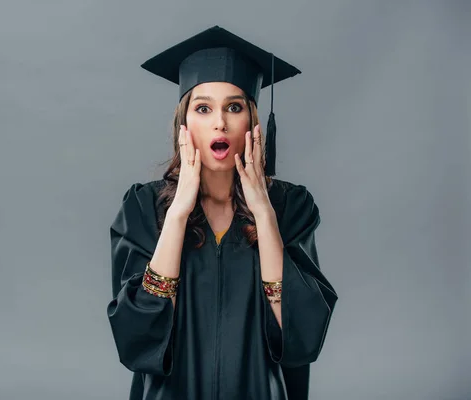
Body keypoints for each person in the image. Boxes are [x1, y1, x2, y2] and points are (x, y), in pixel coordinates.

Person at [106, 26, 338, 400]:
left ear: (253, 122)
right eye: (203, 108)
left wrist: (264, 215)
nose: (220, 122)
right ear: (185, 125)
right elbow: (135, 338)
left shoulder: (291, 208)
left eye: (234, 107)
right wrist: (178, 214)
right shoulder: (143, 209)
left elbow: (303, 337)